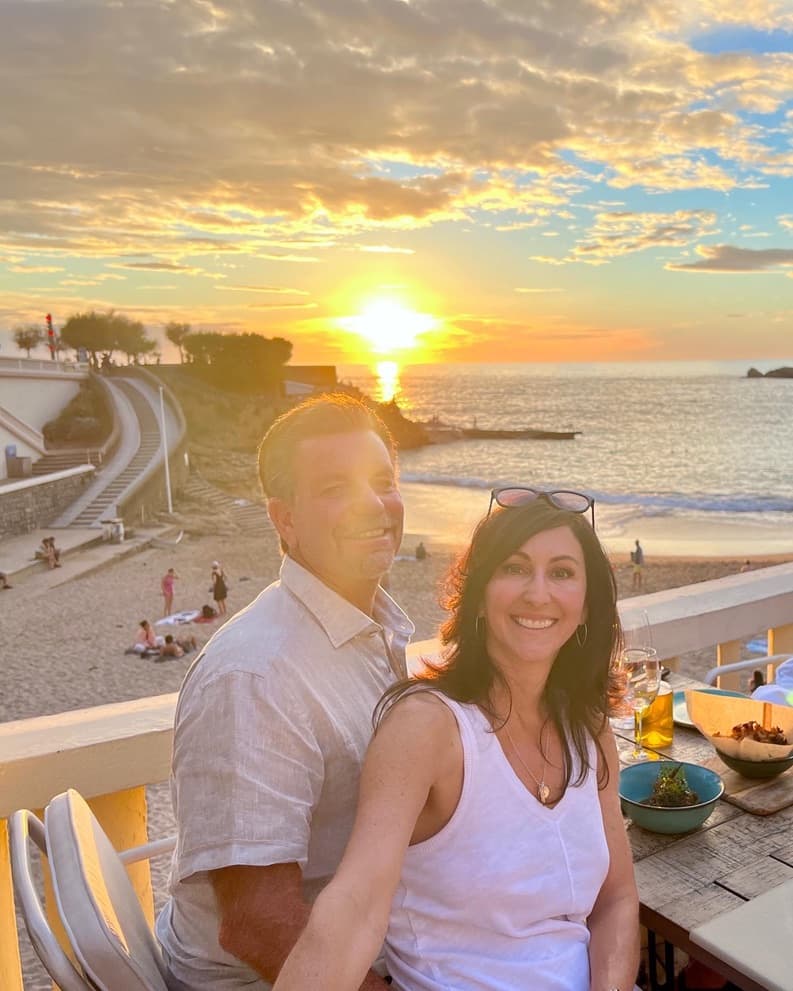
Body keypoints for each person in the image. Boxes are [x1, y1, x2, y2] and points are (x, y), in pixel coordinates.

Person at [274, 490, 640, 991]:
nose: (538, 593)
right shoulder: (428, 726)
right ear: (480, 598)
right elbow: (354, 906)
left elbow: (615, 898)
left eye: (561, 572)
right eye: (514, 568)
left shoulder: (587, 726)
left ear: (585, 605)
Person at [156, 394, 413, 990]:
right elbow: (259, 928)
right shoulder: (255, 680)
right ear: (284, 519)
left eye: (383, 481)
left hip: (358, 943)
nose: (373, 505)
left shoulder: (366, 626)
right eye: (334, 489)